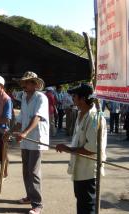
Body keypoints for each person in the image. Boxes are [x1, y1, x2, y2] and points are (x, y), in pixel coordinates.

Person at [56, 83, 107, 214]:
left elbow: (92, 149)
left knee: (88, 206)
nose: (72, 98)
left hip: (89, 171)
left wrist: (68, 149)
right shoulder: (80, 114)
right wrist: (69, 149)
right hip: (79, 169)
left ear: (83, 99)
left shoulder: (95, 117)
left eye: (74, 96)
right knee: (81, 203)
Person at [13, 71, 48, 214]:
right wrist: (11, 131)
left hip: (36, 139)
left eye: (27, 82)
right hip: (25, 140)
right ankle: (29, 196)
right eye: (23, 82)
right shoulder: (24, 97)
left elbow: (37, 117)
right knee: (26, 171)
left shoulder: (41, 97)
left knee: (33, 171)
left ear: (34, 84)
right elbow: (20, 119)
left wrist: (24, 133)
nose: (24, 85)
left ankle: (37, 204)